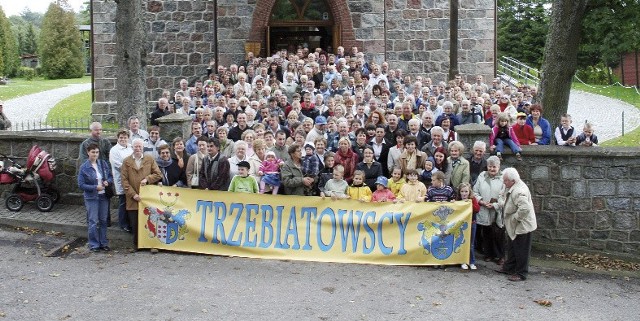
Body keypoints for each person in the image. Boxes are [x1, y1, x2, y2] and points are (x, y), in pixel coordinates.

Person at [495, 168, 537, 281]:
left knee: (521, 249)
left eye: (506, 181)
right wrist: (502, 203)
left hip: (522, 225)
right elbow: (501, 195)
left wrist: (514, 218)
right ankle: (509, 267)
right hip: (514, 224)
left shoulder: (519, 191)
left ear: (512, 181)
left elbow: (525, 209)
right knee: (512, 246)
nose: (503, 183)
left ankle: (521, 273)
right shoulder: (509, 185)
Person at [121, 138, 162, 249]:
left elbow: (158, 174)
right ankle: (137, 245)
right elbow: (124, 181)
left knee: (150, 222)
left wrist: (147, 179)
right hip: (133, 198)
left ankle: (152, 245)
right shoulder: (126, 162)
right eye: (136, 146)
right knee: (135, 224)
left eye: (140, 146)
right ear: (132, 148)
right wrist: (133, 194)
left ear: (143, 147)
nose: (138, 148)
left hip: (148, 198)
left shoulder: (149, 159)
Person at [77, 143, 113, 252]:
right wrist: (94, 187)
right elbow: (81, 185)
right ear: (88, 152)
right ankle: (94, 244)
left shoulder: (103, 164)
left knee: (103, 220)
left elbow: (110, 176)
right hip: (91, 197)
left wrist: (108, 181)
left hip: (103, 196)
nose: (95, 154)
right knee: (93, 221)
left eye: (97, 152)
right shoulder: (84, 167)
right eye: (93, 152)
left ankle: (103, 243)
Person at [473, 156, 505, 265]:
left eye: (494, 167)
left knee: (498, 233)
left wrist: (495, 205)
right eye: (490, 167)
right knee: (486, 233)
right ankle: (489, 254)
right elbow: (475, 191)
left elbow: (504, 195)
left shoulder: (503, 178)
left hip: (497, 210)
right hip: (484, 209)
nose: (491, 169)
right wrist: (481, 201)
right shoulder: (482, 176)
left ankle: (500, 256)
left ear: (499, 167)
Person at [109, 129, 133, 232]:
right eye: (121, 137)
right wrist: (132, 170)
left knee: (130, 201)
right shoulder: (114, 150)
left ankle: (130, 222)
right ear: (118, 138)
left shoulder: (131, 147)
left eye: (125, 137)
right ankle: (123, 223)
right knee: (123, 201)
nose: (123, 139)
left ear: (128, 138)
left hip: (132, 178)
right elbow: (118, 165)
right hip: (121, 178)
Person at [458, 182, 480, 270]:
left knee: (471, 243)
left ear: (469, 192)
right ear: (459, 192)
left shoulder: (473, 199)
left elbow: (477, 209)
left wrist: (469, 203)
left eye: (466, 191)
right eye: (462, 191)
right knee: (462, 242)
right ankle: (463, 261)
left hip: (472, 223)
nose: (464, 193)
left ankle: (471, 261)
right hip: (460, 225)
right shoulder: (457, 199)